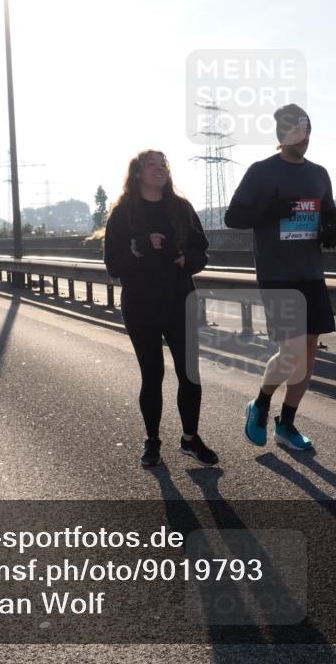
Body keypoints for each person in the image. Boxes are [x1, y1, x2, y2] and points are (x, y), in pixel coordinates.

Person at [224, 104, 336, 451]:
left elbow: (331, 214)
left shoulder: (319, 174)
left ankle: (286, 424)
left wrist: (335, 227)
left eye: (305, 128)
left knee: (307, 354)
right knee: (290, 354)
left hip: (311, 274)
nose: (300, 136)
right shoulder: (262, 171)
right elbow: (234, 216)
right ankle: (259, 404)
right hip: (277, 275)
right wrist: (269, 212)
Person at [104, 149, 218, 468]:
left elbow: (201, 250)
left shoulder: (181, 208)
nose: (159, 169)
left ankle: (190, 440)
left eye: (163, 164)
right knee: (152, 375)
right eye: (151, 165)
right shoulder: (123, 213)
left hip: (179, 300)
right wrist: (140, 245)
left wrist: (189, 260)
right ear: (137, 174)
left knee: (190, 375)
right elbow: (113, 265)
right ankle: (152, 441)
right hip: (141, 304)